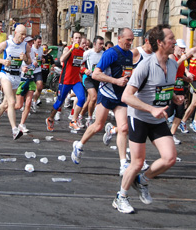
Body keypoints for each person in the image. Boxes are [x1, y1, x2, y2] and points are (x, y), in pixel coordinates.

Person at [113, 24, 183, 213]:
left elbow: (162, 89)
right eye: (171, 39)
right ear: (160, 43)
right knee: (136, 162)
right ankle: (121, 197)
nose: (174, 42)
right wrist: (151, 109)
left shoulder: (173, 63)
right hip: (139, 118)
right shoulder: (145, 65)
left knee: (170, 158)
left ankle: (142, 180)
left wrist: (173, 97)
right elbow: (126, 97)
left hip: (158, 118)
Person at [71, 28, 135, 176]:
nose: (130, 43)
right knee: (98, 125)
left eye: (132, 40)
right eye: (128, 40)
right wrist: (115, 81)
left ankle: (122, 163)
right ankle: (79, 145)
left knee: (124, 128)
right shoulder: (111, 53)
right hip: (107, 93)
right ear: (119, 39)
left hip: (121, 96)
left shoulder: (130, 54)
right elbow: (96, 74)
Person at [0, 24, 31, 139]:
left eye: (25, 34)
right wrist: (2, 61)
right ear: (15, 33)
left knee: (5, 104)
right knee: (11, 102)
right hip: (5, 74)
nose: (24, 36)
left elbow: (29, 61)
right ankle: (14, 129)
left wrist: (25, 59)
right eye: (22, 34)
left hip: (17, 76)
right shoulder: (6, 43)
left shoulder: (26, 46)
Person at [45, 31, 86, 131]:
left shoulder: (81, 51)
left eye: (79, 38)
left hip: (76, 80)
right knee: (60, 102)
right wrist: (71, 50)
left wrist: (82, 71)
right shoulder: (67, 48)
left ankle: (73, 121)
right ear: (72, 39)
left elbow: (80, 64)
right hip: (65, 80)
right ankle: (50, 119)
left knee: (81, 98)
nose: (78, 40)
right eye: (76, 38)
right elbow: (62, 59)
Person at [169, 39, 191, 144]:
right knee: (168, 112)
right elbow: (172, 68)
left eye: (183, 48)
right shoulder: (172, 56)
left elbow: (180, 73)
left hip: (180, 87)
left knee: (180, 111)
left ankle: (172, 134)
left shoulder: (182, 59)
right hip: (171, 88)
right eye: (180, 47)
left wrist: (187, 78)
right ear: (175, 47)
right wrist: (182, 59)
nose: (182, 50)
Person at [80, 36, 105, 123]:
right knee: (94, 97)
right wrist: (85, 70)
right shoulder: (88, 53)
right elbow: (79, 64)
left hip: (98, 79)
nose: (102, 45)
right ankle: (90, 118)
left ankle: (80, 115)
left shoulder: (104, 54)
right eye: (100, 44)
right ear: (94, 44)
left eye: (103, 43)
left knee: (90, 100)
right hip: (88, 78)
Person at [30, 35, 44, 112]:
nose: (39, 43)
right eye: (38, 42)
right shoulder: (30, 48)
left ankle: (34, 102)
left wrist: (42, 60)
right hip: (30, 70)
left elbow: (41, 58)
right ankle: (26, 102)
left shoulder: (41, 49)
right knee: (29, 89)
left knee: (39, 86)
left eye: (40, 42)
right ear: (34, 41)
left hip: (38, 70)